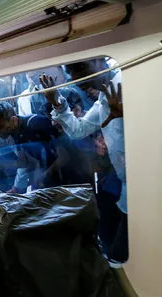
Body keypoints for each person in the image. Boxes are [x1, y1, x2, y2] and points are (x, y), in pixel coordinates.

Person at [40, 59, 127, 262]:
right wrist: (57, 104)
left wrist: (130, 117)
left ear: (100, 60)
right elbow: (78, 130)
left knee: (119, 255)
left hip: (146, 187)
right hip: (125, 185)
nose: (75, 78)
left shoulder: (127, 81)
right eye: (69, 72)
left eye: (80, 68)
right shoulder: (106, 97)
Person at [0, 101, 66, 192]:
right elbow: (24, 163)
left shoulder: (37, 123)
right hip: (45, 180)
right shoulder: (14, 132)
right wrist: (15, 189)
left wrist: (46, 175)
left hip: (63, 180)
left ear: (14, 120)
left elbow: (64, 156)